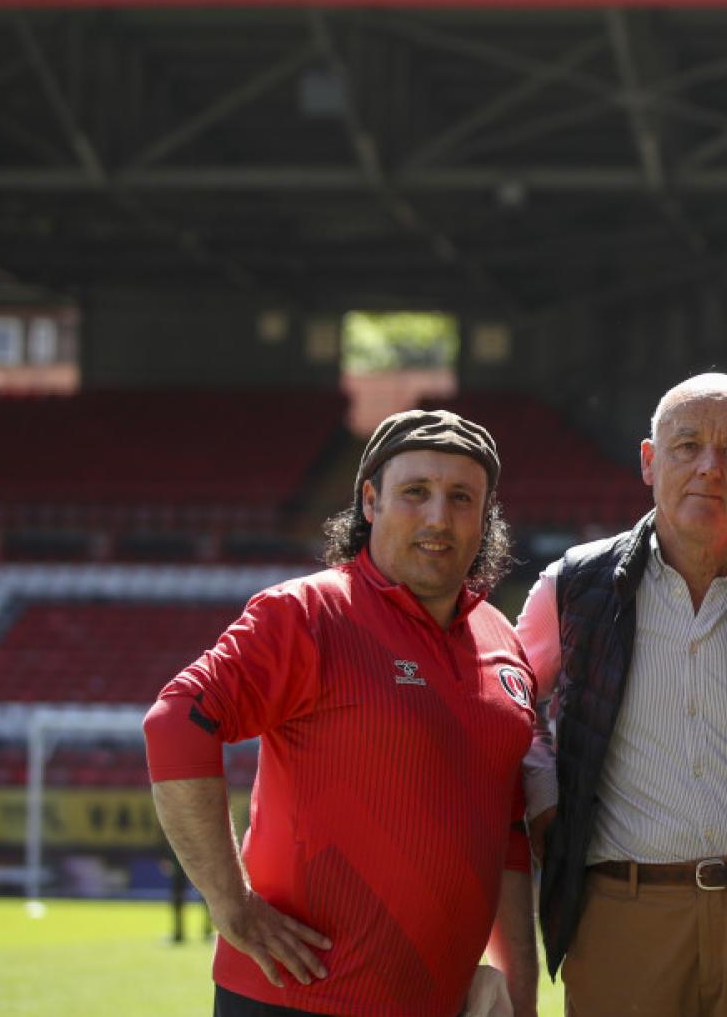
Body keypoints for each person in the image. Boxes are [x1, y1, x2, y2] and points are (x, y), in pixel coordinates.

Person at [144, 410, 536, 1017]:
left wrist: (520, 990)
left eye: (462, 498)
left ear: (486, 519)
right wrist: (233, 906)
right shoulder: (305, 613)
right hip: (295, 999)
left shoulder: (503, 641)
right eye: (415, 492)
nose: (438, 516)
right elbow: (175, 725)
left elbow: (507, 838)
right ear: (371, 502)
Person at [518, 373, 727, 1016]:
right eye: (687, 445)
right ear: (648, 461)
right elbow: (509, 698)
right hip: (625, 917)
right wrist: (542, 793)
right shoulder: (575, 586)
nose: (708, 467)